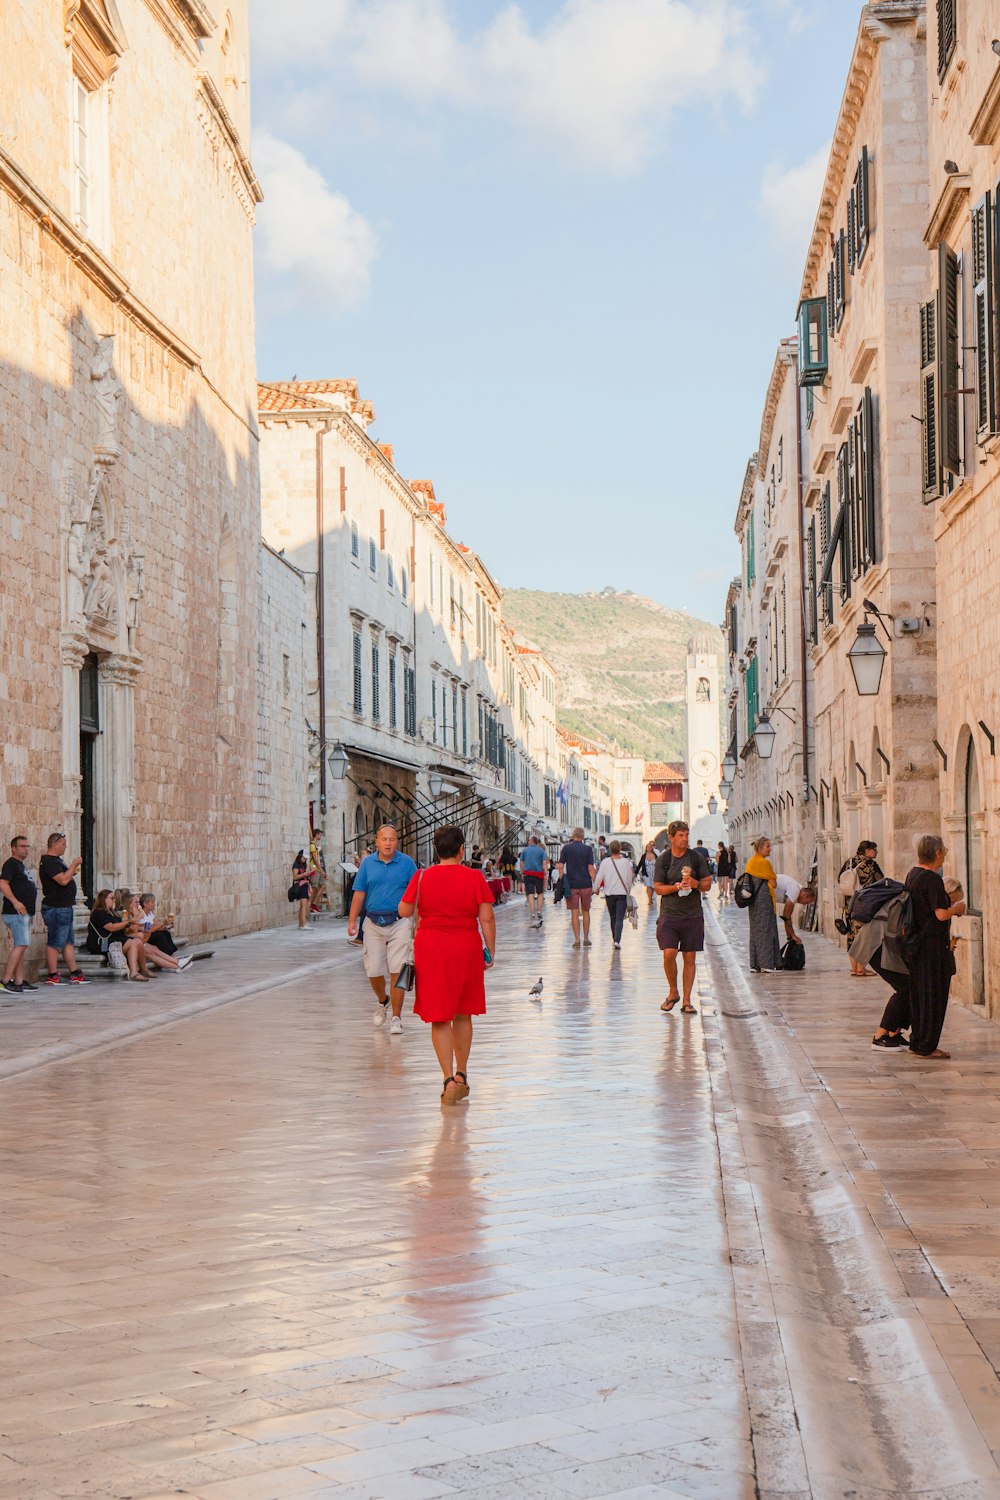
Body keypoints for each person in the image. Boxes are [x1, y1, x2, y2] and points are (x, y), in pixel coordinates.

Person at [398, 824, 495, 1105]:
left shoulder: (422, 876)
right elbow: (486, 918)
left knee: (440, 1016)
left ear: (436, 849)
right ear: (462, 849)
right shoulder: (474, 878)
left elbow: (404, 910)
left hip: (431, 949)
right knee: (463, 1013)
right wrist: (489, 950)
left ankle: (448, 1078)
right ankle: (463, 1074)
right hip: (465, 947)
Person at [348, 824, 417, 1035]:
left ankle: (396, 1017)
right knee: (374, 970)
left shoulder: (407, 863)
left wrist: (419, 922)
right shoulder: (368, 864)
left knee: (398, 968)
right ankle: (383, 1000)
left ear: (397, 842)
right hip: (372, 923)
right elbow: (359, 893)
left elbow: (416, 893)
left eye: (392, 839)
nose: (388, 843)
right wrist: (352, 922)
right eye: (384, 839)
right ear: (376, 842)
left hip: (400, 922)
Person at [905, 835, 966, 1059]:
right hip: (932, 947)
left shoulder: (912, 875)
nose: (946, 854)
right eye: (944, 850)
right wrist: (957, 908)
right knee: (934, 997)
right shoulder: (931, 879)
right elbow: (940, 914)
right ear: (937, 853)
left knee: (919, 996)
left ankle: (917, 1041)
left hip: (916, 946)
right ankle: (927, 1046)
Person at [654, 821, 712, 1013]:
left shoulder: (696, 858)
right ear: (671, 837)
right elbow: (658, 888)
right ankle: (673, 991)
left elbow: (707, 884)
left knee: (689, 957)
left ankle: (686, 1000)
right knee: (669, 953)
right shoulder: (663, 859)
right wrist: (676, 887)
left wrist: (694, 883)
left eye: (686, 835)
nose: (685, 839)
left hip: (692, 914)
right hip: (670, 914)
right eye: (680, 835)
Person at [39, 832, 89, 986]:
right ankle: (52, 975)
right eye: (63, 844)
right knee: (55, 942)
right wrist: (74, 864)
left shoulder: (55, 861)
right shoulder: (49, 862)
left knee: (68, 942)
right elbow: (62, 880)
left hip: (64, 908)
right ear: (54, 844)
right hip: (57, 908)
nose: (65, 846)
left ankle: (75, 973)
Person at [0, 835, 38, 994]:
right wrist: (15, 902)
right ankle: (4, 981)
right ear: (13, 848)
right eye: (22, 846)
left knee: (20, 946)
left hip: (24, 914)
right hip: (15, 913)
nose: (26, 849)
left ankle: (19, 981)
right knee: (22, 944)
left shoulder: (20, 865)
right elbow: (2, 883)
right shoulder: (10, 864)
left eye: (27, 846)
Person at [841, 840, 884, 976]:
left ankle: (854, 968)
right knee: (863, 936)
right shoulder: (871, 864)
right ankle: (861, 968)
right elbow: (881, 881)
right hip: (864, 904)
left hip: (849, 904)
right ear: (867, 851)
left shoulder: (849, 862)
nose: (877, 852)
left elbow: (840, 879)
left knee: (851, 935)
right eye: (874, 849)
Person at [86, 889, 150, 980]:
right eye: (112, 898)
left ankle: (144, 969)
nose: (114, 900)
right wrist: (128, 922)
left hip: (114, 939)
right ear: (104, 899)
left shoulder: (113, 913)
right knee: (133, 943)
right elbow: (111, 927)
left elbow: (125, 929)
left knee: (138, 941)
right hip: (101, 943)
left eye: (114, 898)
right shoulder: (99, 913)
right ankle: (133, 973)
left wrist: (136, 918)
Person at [744, 836, 783, 973]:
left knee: (755, 930)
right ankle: (767, 963)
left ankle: (755, 964)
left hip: (753, 901)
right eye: (768, 846)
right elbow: (773, 883)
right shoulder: (764, 863)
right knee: (767, 929)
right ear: (760, 848)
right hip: (764, 899)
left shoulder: (750, 862)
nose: (770, 849)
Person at [558, 827, 597, 948]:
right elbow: (590, 868)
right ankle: (586, 938)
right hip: (585, 884)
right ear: (583, 836)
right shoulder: (588, 849)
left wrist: (561, 880)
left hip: (572, 885)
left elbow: (560, 866)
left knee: (574, 912)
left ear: (573, 835)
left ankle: (576, 939)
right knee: (586, 911)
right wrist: (595, 883)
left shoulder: (566, 849)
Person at [593, 840, 634, 949]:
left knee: (613, 917)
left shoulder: (605, 862)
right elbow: (629, 878)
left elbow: (599, 877)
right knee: (619, 918)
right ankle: (617, 940)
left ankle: (614, 938)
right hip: (622, 893)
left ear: (610, 849)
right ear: (620, 849)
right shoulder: (625, 862)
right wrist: (628, 890)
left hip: (609, 893)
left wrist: (595, 888)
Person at [775, 872, 817, 950]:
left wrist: (790, 937)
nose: (805, 905)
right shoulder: (795, 890)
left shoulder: (796, 890)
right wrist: (792, 935)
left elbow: (787, 916)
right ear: (804, 895)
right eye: (807, 902)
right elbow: (786, 916)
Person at [520, 836, 548, 928]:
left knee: (530, 893)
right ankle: (539, 910)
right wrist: (546, 874)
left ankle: (532, 912)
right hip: (538, 874)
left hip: (528, 874)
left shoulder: (525, 850)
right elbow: (544, 863)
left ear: (531, 841)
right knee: (540, 892)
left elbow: (521, 863)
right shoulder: (541, 851)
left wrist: (522, 872)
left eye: (528, 840)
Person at [289, 849, 311, 929]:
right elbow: (295, 877)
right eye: (304, 858)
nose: (305, 860)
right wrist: (305, 873)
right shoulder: (296, 865)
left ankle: (301, 924)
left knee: (303, 906)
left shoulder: (303, 865)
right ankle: (303, 924)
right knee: (303, 905)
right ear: (300, 856)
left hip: (304, 885)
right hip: (300, 886)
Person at [638, 840, 658, 907]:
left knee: (652, 886)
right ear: (646, 848)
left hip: (654, 872)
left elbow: (659, 864)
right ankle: (649, 900)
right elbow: (640, 864)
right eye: (648, 847)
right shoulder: (644, 856)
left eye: (650, 847)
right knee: (648, 885)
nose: (649, 848)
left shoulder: (655, 855)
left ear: (652, 848)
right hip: (646, 872)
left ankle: (651, 898)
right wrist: (635, 872)